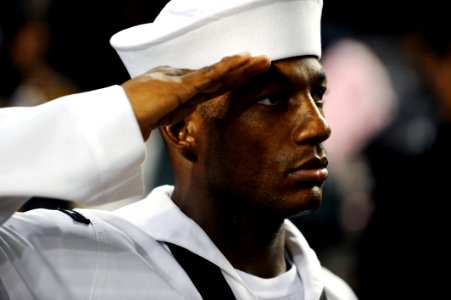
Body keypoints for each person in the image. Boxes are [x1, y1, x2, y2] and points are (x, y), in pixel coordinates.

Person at [0, 0, 358, 299]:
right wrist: (119, 111)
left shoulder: (334, 292)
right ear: (180, 126)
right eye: (273, 99)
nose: (319, 126)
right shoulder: (77, 260)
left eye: (318, 95)